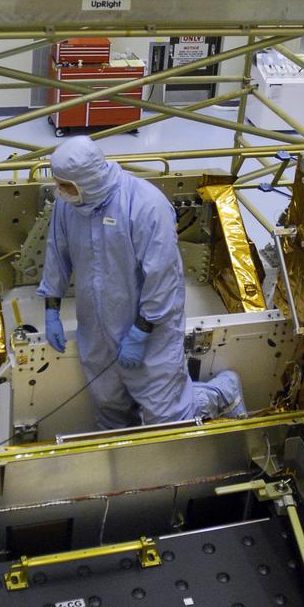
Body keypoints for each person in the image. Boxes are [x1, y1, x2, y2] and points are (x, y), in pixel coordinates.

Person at [36, 136, 246, 430]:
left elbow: (163, 278)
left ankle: (222, 391)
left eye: (66, 186)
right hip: (96, 330)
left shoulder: (145, 205)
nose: (60, 191)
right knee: (110, 409)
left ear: (89, 179)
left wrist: (141, 331)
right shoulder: (68, 205)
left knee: (168, 416)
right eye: (58, 184)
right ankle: (125, 465)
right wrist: (51, 306)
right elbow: (57, 251)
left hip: (150, 333)